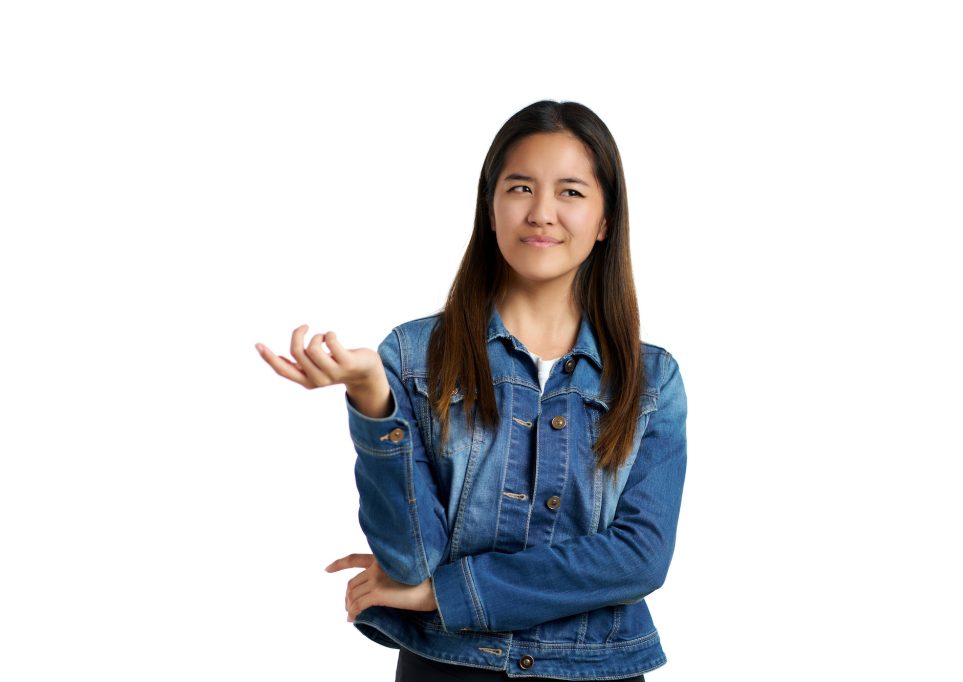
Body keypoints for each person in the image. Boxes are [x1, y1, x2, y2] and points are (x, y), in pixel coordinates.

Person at [255, 100, 688, 681]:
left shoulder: (650, 379)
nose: (541, 213)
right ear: (490, 207)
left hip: (599, 669)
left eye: (571, 192)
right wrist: (371, 399)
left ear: (606, 220)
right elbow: (410, 562)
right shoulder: (411, 360)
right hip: (447, 669)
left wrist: (450, 593)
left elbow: (639, 559)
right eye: (519, 188)